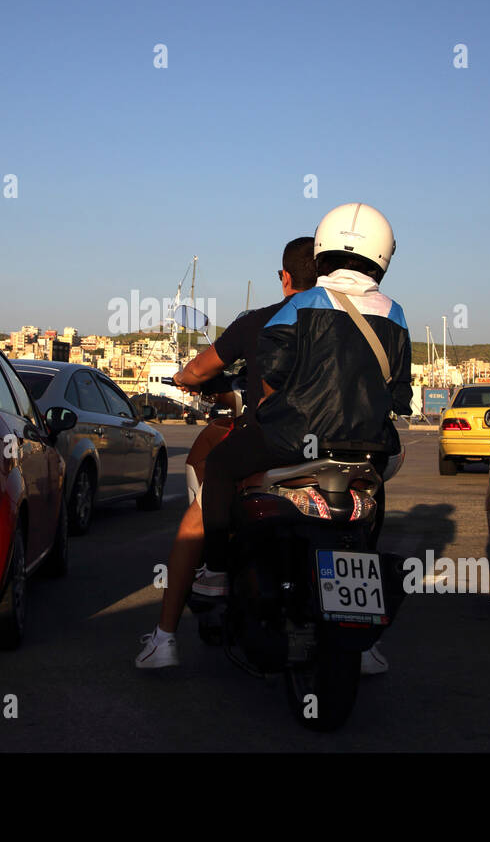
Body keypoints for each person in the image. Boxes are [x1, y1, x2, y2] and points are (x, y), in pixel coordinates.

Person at [137, 205, 412, 674]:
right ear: (383, 255)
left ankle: (216, 572)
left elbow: (276, 378)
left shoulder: (297, 308)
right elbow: (401, 396)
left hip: (293, 441)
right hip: (368, 449)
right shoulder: (397, 313)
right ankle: (363, 638)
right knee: (370, 503)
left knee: (222, 466)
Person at [135, 237, 316, 670]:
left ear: (285, 277)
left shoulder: (260, 322)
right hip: (336, 447)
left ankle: (166, 637)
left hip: (272, 445)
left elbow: (201, 368)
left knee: (196, 516)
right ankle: (364, 647)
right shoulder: (343, 325)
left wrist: (184, 376)